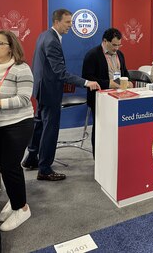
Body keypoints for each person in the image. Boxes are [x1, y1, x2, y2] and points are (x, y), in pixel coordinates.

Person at [22, 9, 100, 181]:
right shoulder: (52, 41)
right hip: (49, 91)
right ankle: (45, 169)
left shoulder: (44, 35)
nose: (70, 26)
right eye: (67, 22)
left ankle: (31, 159)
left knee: (40, 125)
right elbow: (60, 72)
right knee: (50, 129)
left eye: (71, 22)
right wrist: (86, 82)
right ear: (57, 22)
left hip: (42, 88)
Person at [0, 31, 34, 231]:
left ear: (10, 47)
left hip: (19, 123)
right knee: (3, 166)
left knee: (10, 166)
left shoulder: (21, 68)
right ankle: (14, 200)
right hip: (0, 124)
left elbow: (23, 99)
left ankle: (22, 207)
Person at [82, 28, 133, 153]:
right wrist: (107, 84)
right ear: (105, 41)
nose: (117, 48)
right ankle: (98, 158)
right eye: (114, 45)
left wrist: (129, 81)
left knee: (116, 128)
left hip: (119, 97)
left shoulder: (120, 54)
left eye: (119, 45)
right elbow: (87, 78)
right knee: (100, 129)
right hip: (100, 98)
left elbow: (124, 72)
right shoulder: (93, 54)